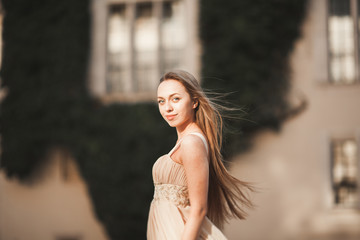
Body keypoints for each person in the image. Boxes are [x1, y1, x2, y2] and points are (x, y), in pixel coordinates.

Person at [147, 70, 254, 240]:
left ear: (194, 102)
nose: (167, 108)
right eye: (161, 101)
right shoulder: (184, 142)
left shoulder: (191, 143)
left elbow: (199, 209)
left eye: (175, 99)